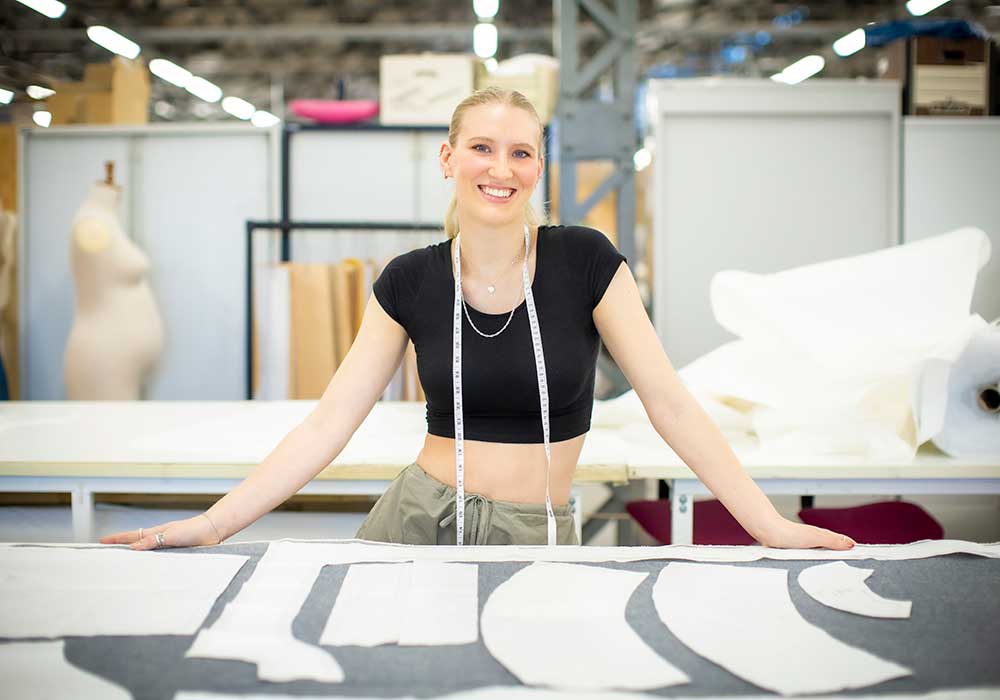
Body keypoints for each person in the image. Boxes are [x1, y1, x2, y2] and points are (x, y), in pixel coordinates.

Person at [101, 87, 856, 551]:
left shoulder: (587, 263)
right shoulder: (409, 281)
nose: (501, 168)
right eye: (483, 148)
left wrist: (767, 523)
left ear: (538, 168)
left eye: (521, 153)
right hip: (418, 518)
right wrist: (213, 524)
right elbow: (327, 425)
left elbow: (669, 404)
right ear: (448, 159)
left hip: (538, 529)